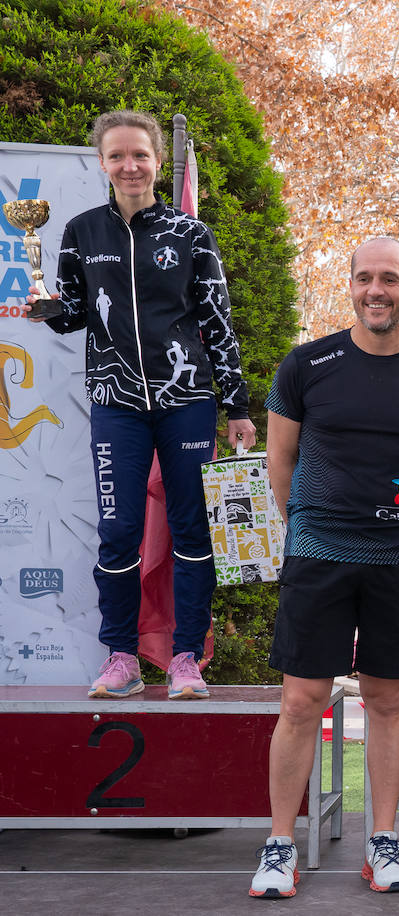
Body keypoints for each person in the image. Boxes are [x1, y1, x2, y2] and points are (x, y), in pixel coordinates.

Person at [251, 238, 399, 898]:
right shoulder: (307, 364)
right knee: (301, 701)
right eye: (364, 278)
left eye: (391, 280)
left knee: (386, 699)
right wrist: (315, 526)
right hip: (316, 558)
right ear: (350, 286)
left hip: (397, 564)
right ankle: (279, 846)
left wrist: (396, 529)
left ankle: (383, 842)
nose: (377, 290)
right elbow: (279, 465)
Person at [23, 109, 255, 700]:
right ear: (102, 163)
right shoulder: (80, 231)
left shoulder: (190, 234)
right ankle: (120, 656)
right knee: (119, 528)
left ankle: (185, 659)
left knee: (190, 528)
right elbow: (73, 314)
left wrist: (238, 406)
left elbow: (217, 321)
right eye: (118, 156)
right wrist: (46, 310)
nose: (130, 166)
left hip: (187, 400)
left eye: (141, 155)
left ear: (156, 162)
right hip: (116, 401)